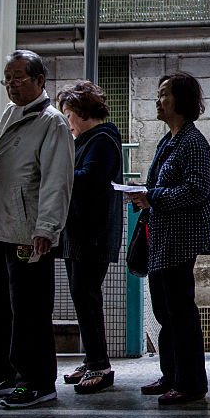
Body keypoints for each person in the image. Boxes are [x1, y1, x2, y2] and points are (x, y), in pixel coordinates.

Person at [0, 50, 74, 409]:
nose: (11, 85)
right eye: (7, 78)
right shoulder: (9, 113)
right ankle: (3, 373)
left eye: (19, 78)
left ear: (40, 81)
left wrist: (46, 227)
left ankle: (37, 380)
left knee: (29, 309)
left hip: (28, 234)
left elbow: (57, 181)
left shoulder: (53, 122)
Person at [129, 73, 210, 406]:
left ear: (181, 100)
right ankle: (172, 374)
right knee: (166, 311)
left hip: (180, 239)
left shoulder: (192, 142)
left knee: (180, 312)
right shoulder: (169, 140)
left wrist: (154, 196)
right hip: (161, 238)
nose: (158, 100)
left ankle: (191, 383)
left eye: (164, 94)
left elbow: (198, 189)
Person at [55, 81, 123, 394]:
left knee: (87, 296)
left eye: (67, 113)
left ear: (81, 112)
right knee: (83, 297)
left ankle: (100, 365)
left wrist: (56, 173)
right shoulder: (86, 140)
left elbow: (89, 179)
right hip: (79, 231)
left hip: (91, 234)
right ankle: (92, 358)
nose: (66, 120)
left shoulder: (103, 139)